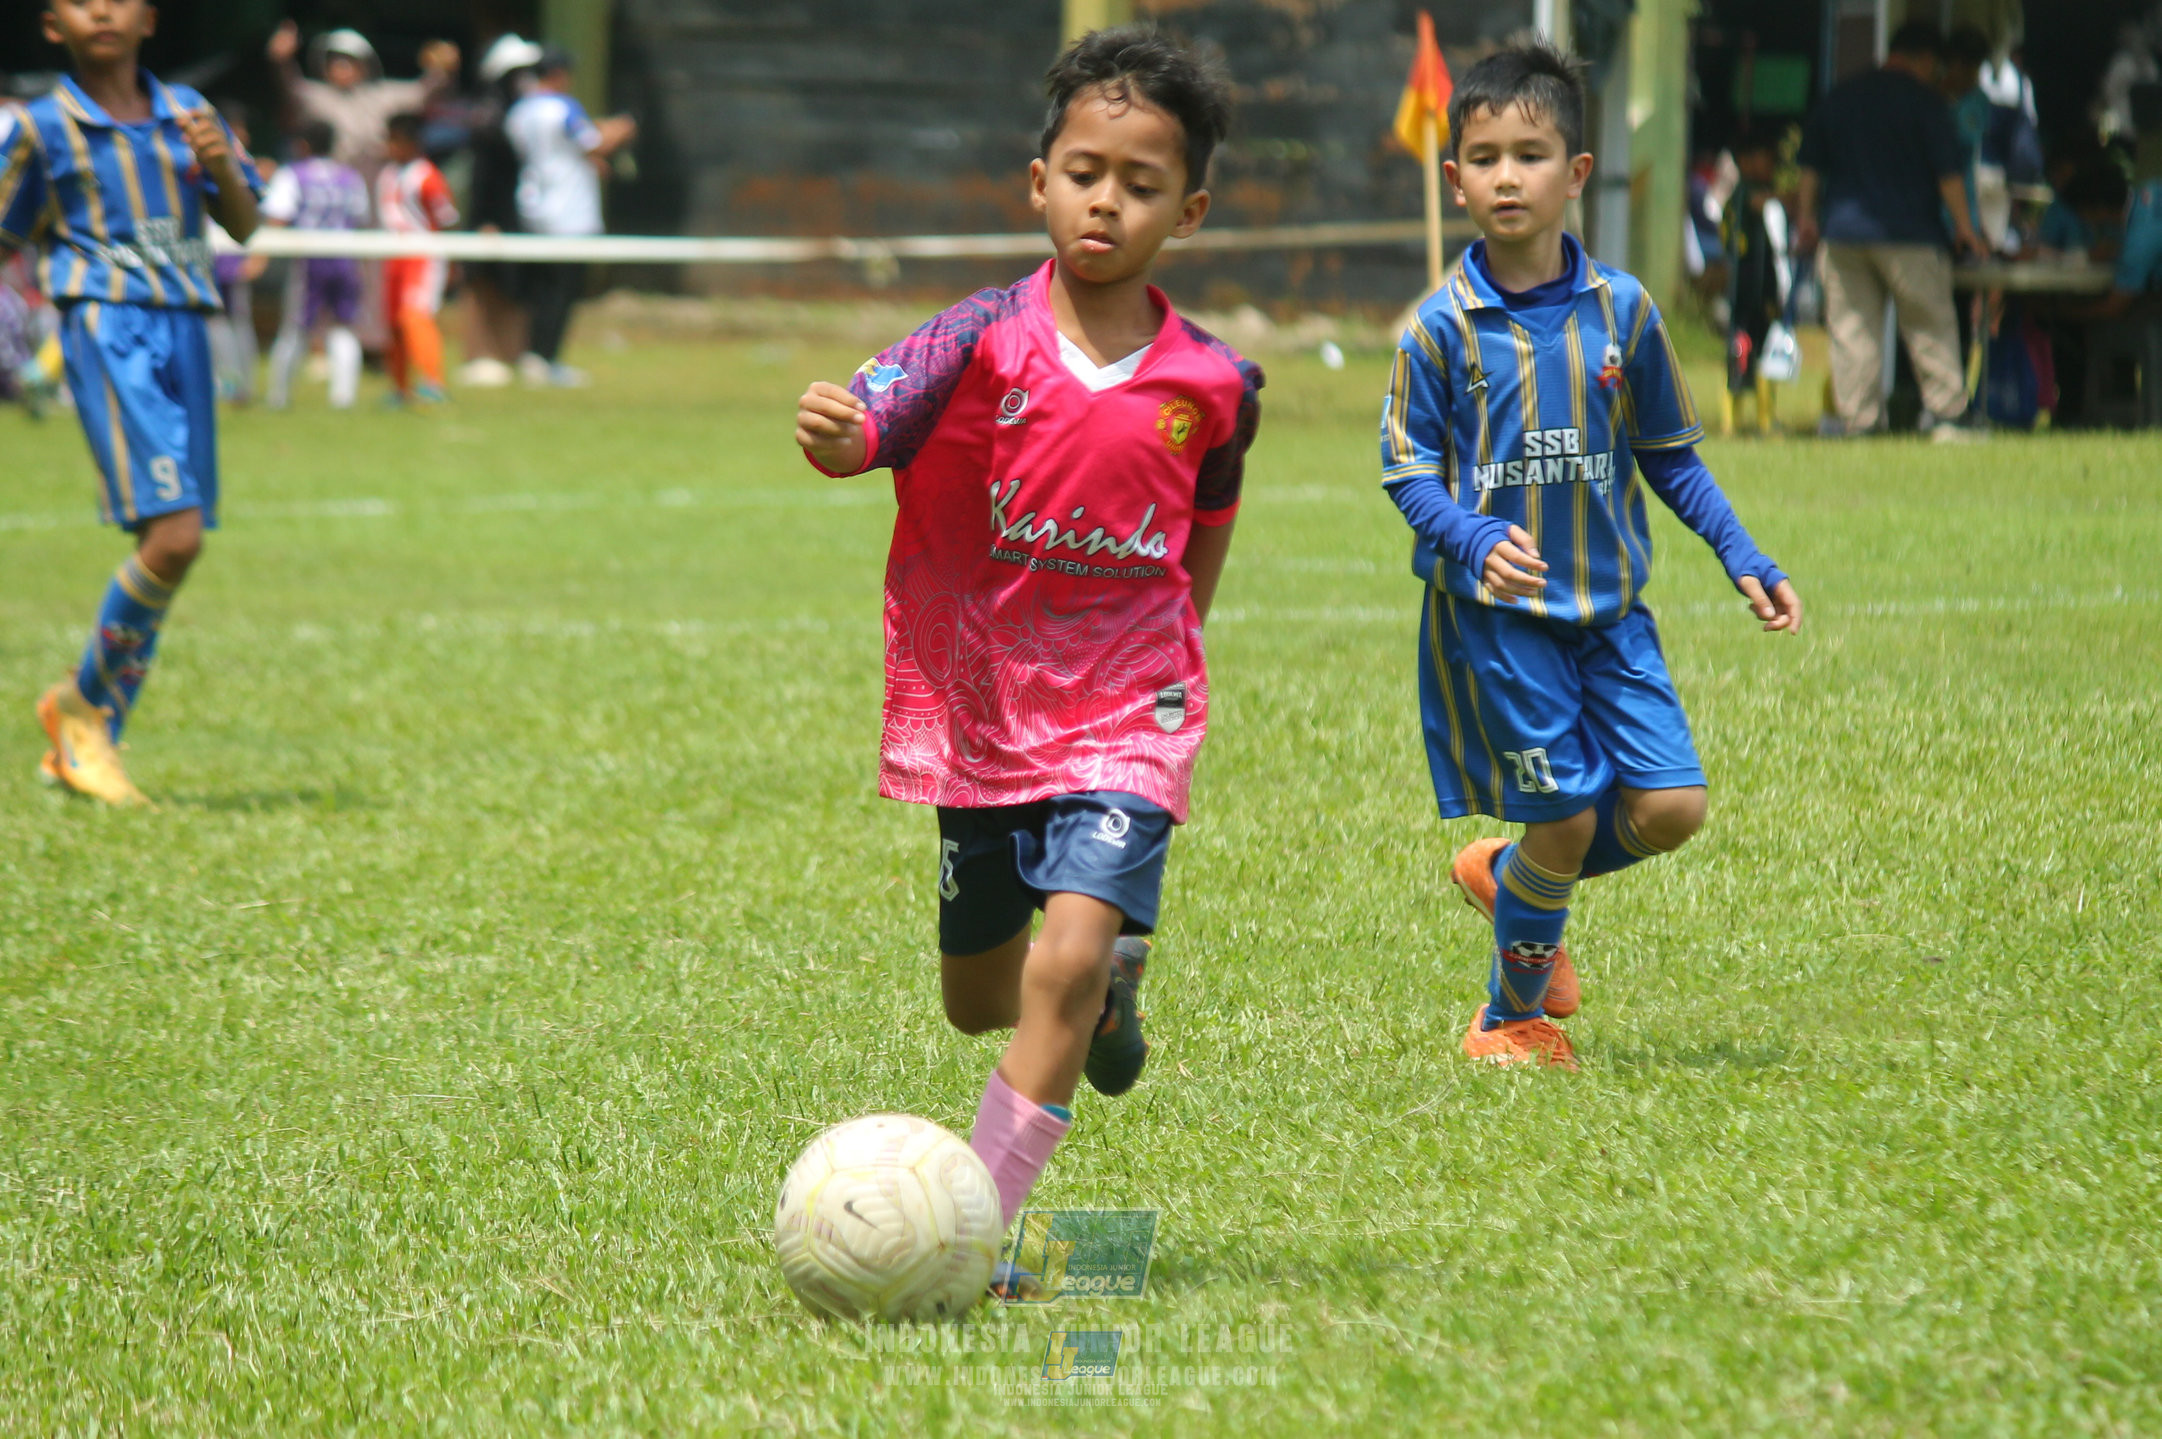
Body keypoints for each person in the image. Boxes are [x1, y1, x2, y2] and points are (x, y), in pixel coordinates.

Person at [791, 28, 1261, 1269]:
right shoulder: (976, 338)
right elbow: (873, 419)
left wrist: (1171, 661)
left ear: (1188, 210)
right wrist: (838, 435)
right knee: (978, 999)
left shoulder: (1213, 383)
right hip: (986, 707)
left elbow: (1204, 526)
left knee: (1063, 958)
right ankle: (1106, 992)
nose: (1107, 201)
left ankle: (977, 1231)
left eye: (1141, 183)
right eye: (1085, 173)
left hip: (1127, 709)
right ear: (1039, 181)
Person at [1379, 40, 1801, 1070]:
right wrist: (1473, 535)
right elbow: (1408, 474)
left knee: (1671, 807)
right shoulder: (1437, 329)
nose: (1505, 177)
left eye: (1529, 156)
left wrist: (1739, 550)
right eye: (1484, 158)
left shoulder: (1624, 311)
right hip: (1500, 622)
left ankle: (1509, 879)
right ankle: (1505, 1019)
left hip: (1611, 615)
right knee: (1565, 819)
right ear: (1455, 179)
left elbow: (1671, 457)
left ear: (1574, 173)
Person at [0, 0, 263, 805]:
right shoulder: (43, 129)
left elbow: (245, 224)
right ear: (53, 25)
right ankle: (82, 711)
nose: (102, 9)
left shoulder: (190, 113)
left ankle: (87, 738)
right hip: (107, 328)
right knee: (175, 537)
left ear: (150, 17)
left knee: (173, 540)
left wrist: (221, 168)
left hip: (187, 329)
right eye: (81, 0)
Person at [1795, 21, 1987, 439]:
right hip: (1910, 236)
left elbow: (1809, 165)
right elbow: (1949, 175)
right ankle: (1948, 417)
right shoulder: (1926, 102)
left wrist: (1806, 218)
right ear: (1926, 60)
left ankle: (1860, 423)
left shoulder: (1842, 96)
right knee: (1928, 324)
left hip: (1843, 235)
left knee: (1852, 332)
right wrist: (1965, 228)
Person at [505, 47, 636, 388]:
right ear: (559, 75)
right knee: (562, 289)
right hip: (569, 210)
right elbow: (593, 142)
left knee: (541, 287)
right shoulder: (563, 107)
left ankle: (533, 355)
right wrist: (621, 129)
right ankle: (545, 358)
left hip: (534, 205)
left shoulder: (519, 110)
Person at [266, 20, 460, 181]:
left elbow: (423, 91)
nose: (340, 66)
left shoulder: (384, 95)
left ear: (365, 64)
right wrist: (282, 61)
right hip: (334, 186)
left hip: (376, 184)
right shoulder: (317, 96)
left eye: (348, 60)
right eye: (334, 60)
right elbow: (291, 86)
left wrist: (442, 69)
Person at [261, 121, 368, 411]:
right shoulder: (350, 176)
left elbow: (278, 215)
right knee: (343, 325)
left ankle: (279, 396)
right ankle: (343, 397)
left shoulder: (293, 174)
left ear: (303, 144)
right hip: (345, 256)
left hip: (308, 258)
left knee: (296, 326)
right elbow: (360, 217)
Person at [459, 34, 544, 388]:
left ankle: (512, 353)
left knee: (516, 286)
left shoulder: (523, 114)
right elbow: (484, 178)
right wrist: (486, 220)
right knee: (484, 285)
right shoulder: (489, 119)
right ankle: (481, 355)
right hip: (493, 216)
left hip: (521, 215)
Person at [377, 111, 458, 406]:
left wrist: (453, 262)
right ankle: (400, 387)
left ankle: (432, 381)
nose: (390, 148)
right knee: (393, 322)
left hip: (423, 255)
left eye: (395, 141)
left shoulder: (427, 176)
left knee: (414, 315)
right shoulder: (387, 175)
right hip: (393, 255)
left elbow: (447, 219)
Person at [1719, 123, 1790, 434]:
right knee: (1743, 350)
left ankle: (1763, 416)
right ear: (1745, 161)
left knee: (1763, 350)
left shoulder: (1744, 193)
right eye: (1766, 157)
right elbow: (1764, 202)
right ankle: (1734, 418)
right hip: (1747, 286)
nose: (1771, 164)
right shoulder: (1745, 193)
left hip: (1756, 285)